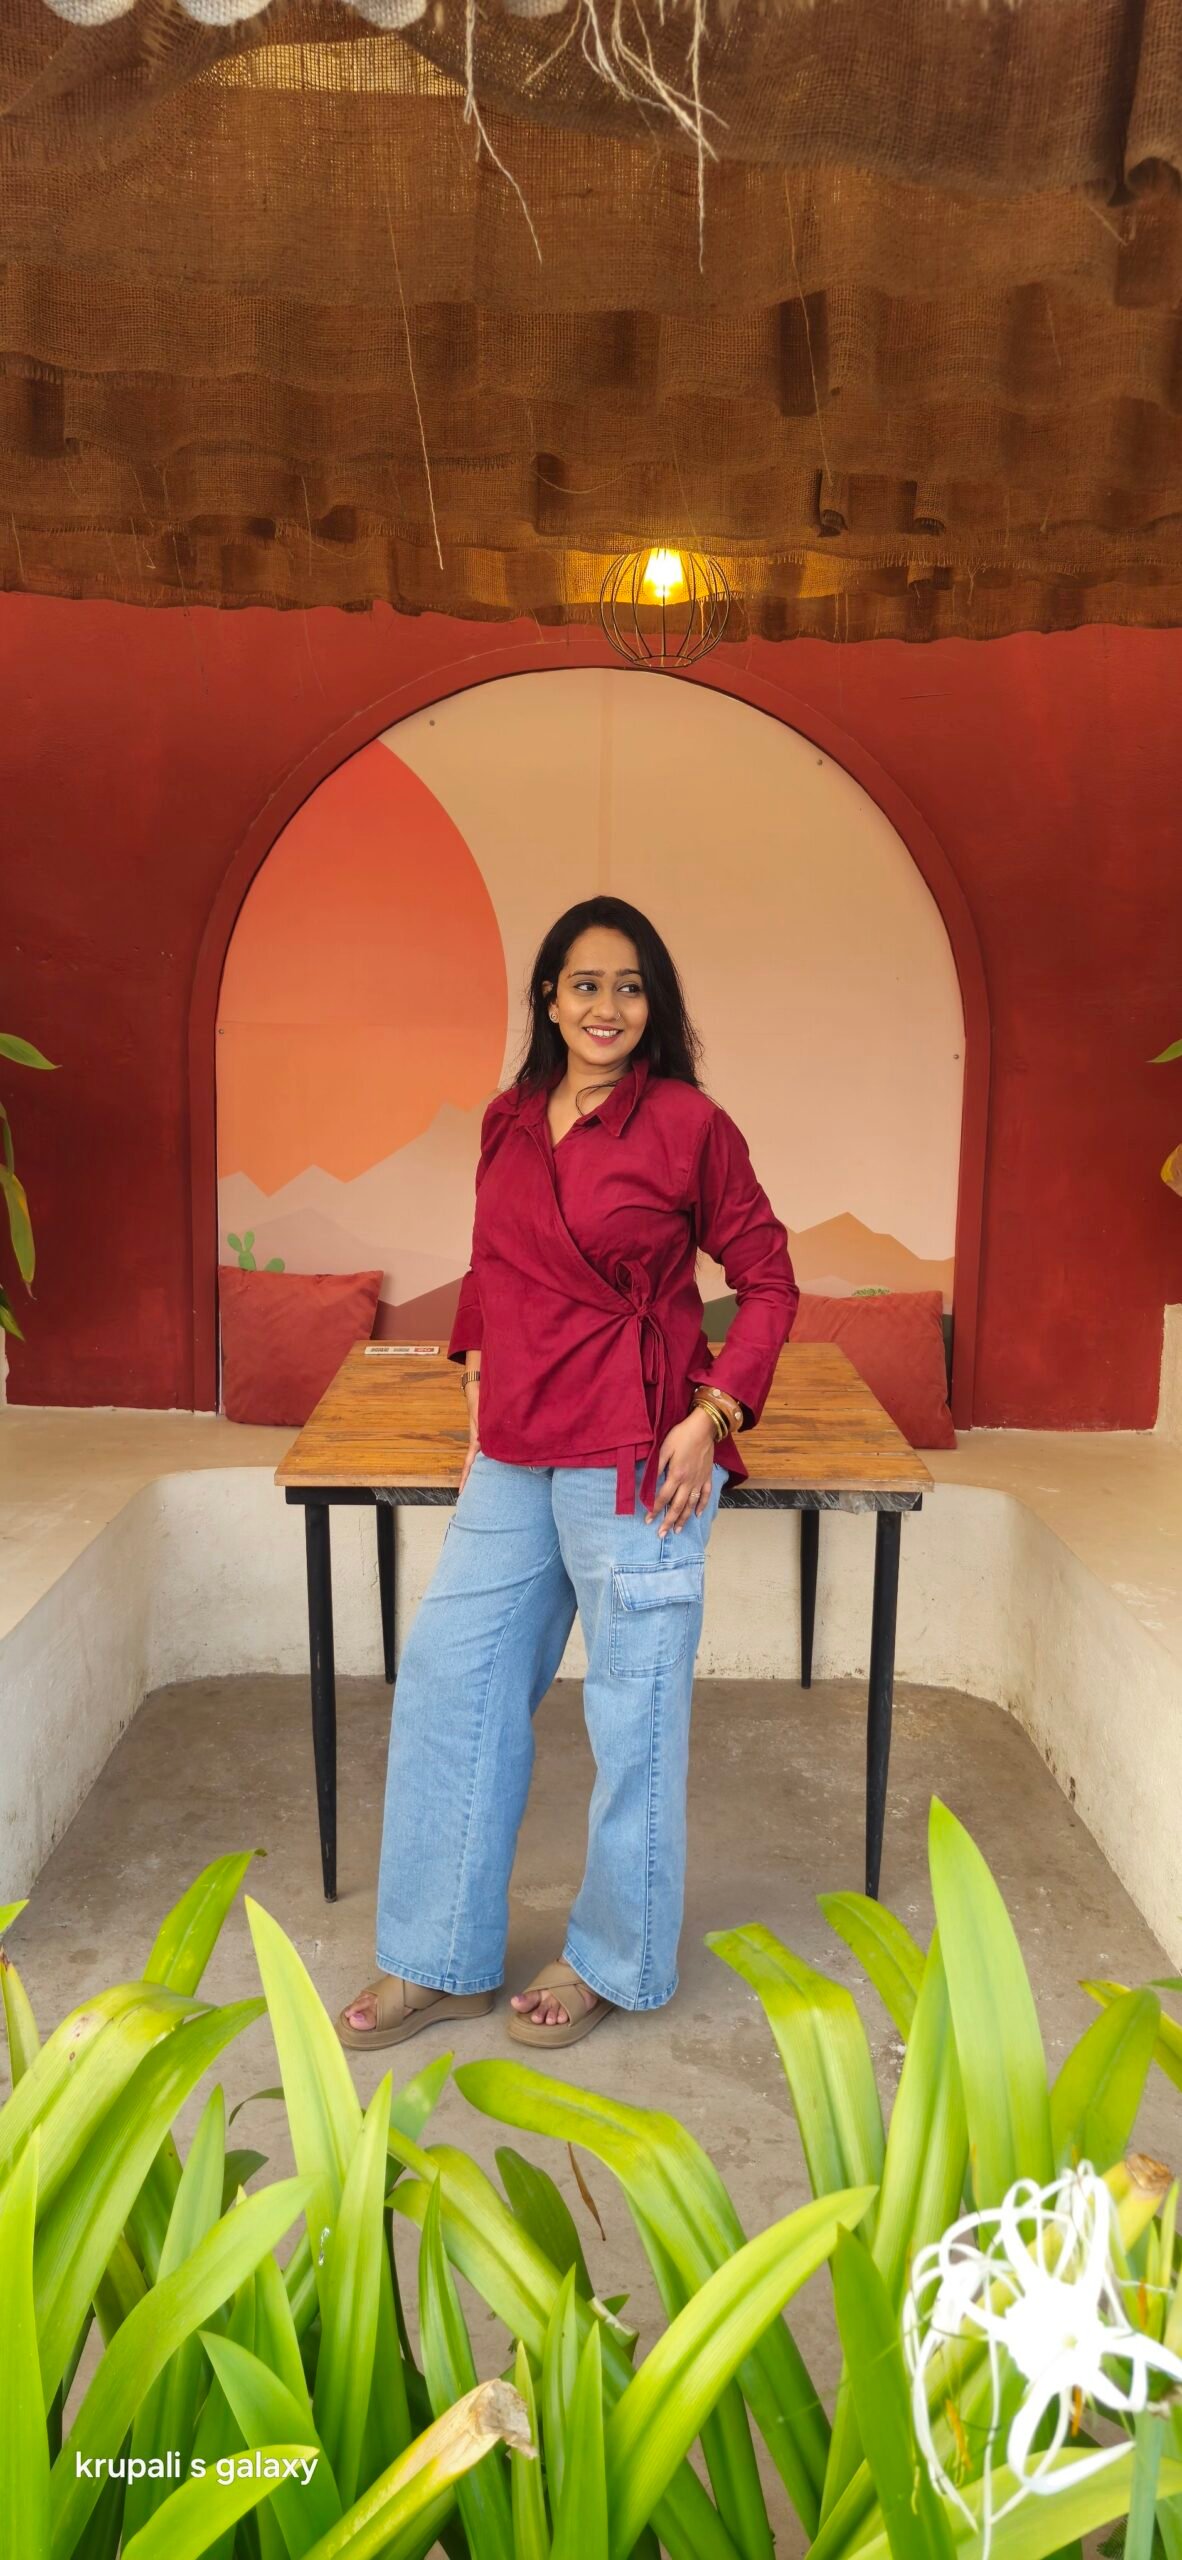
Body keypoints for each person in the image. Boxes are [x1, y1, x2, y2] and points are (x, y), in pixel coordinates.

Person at [338, 894, 797, 2053]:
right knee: (452, 1680)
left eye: (630, 986)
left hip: (640, 1452)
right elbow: (492, 1268)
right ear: (549, 996)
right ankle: (439, 1955)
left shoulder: (689, 1123)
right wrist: (476, 1394)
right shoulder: (507, 1120)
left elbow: (769, 1276)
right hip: (515, 1450)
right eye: (586, 983)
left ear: (654, 1005)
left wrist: (714, 1413)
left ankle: (611, 1959)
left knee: (632, 1715)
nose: (608, 1006)